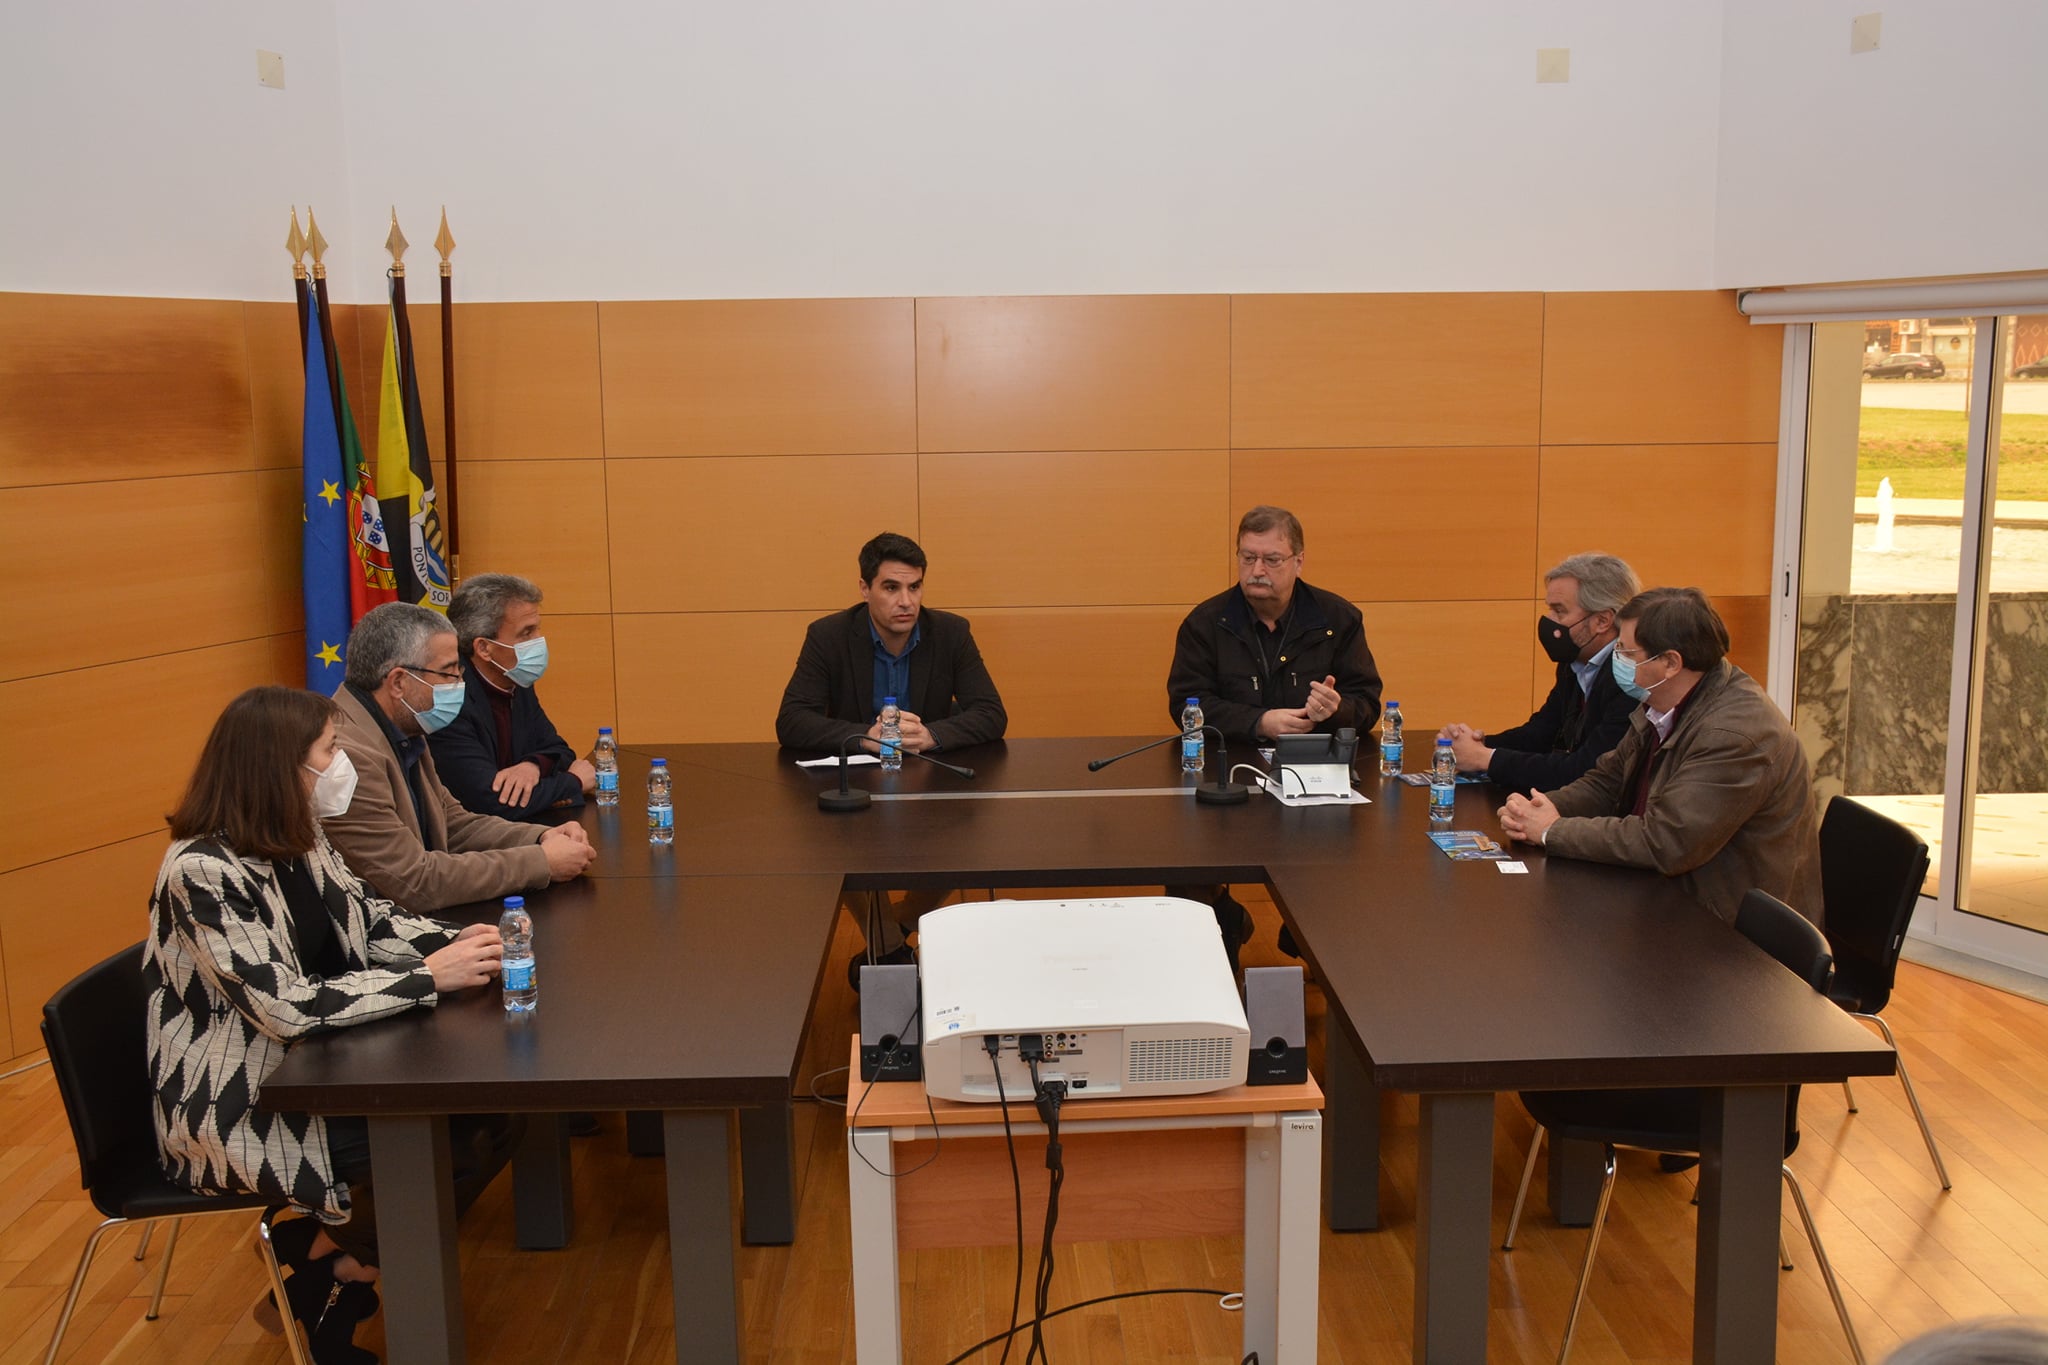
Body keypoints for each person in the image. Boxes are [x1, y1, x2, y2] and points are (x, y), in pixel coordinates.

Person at [144, 685, 518, 1361]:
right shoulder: (200, 871)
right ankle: (334, 1268)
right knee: (442, 1134)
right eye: (330, 749)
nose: (341, 761)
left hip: (320, 1063)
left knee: (499, 1108)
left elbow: (373, 920)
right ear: (280, 766)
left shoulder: (299, 836)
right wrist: (426, 978)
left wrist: (468, 943)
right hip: (239, 1098)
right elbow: (283, 1007)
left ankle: (330, 1262)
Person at [1498, 587, 1824, 926]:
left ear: (1670, 663)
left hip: (1733, 936)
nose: (1616, 659)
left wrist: (1553, 831)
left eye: (1625, 651)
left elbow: (1665, 841)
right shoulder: (1662, 700)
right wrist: (1542, 809)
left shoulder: (1733, 735)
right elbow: (1608, 780)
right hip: (1669, 899)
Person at [775, 532, 1009, 981]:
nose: (906, 601)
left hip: (929, 787)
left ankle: (889, 936)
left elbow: (991, 712)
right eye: (891, 588)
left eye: (915, 587)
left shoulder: (951, 633)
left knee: (967, 846)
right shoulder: (828, 636)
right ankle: (889, 946)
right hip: (856, 791)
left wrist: (933, 735)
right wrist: (863, 738)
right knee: (835, 849)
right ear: (865, 589)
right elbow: (791, 721)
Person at [1165, 505, 1384, 966]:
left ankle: (1307, 938)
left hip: (1314, 775)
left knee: (1347, 863)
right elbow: (1186, 702)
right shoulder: (1207, 623)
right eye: (1247, 558)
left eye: (1271, 559)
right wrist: (1258, 722)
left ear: (1299, 561)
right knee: (1184, 866)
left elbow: (1367, 705)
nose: (1257, 570)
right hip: (1228, 775)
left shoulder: (1338, 618)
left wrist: (1336, 709)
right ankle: (1220, 925)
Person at [325, 602, 595, 913]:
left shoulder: (404, 727)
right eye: (448, 672)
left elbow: (454, 825)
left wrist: (542, 836)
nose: (459, 685)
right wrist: (541, 862)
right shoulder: (347, 756)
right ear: (399, 682)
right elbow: (414, 881)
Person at [1440, 552, 1641, 793]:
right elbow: (1540, 733)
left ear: (1602, 621)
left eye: (1559, 611)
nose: (1549, 620)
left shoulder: (1631, 678)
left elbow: (1587, 769)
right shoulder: (1575, 661)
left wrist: (1486, 758)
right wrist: (1476, 745)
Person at [429, 573, 597, 823]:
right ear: (484, 648)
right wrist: (572, 782)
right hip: (468, 847)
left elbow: (559, 751)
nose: (538, 641)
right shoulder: (448, 699)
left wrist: (533, 766)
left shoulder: (516, 680)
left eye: (537, 628)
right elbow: (491, 802)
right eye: (526, 632)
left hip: (518, 831)